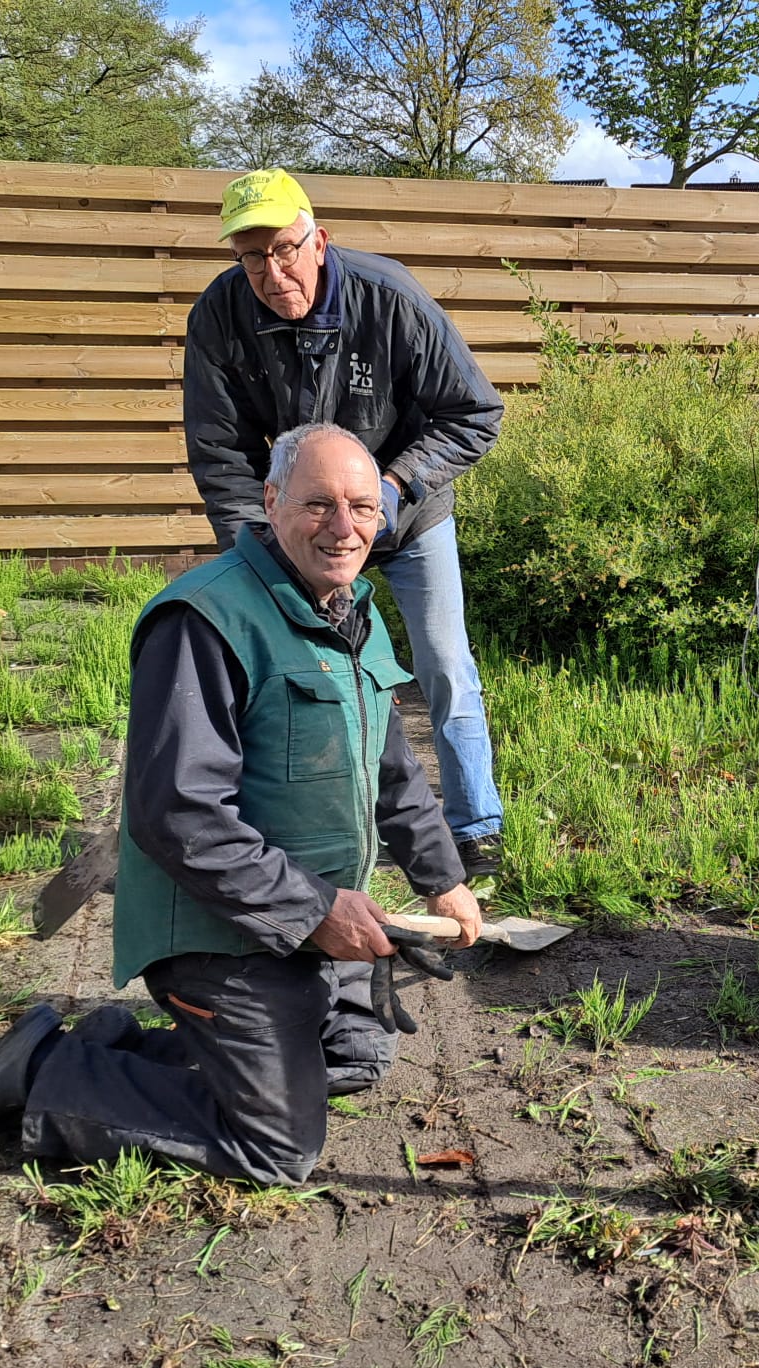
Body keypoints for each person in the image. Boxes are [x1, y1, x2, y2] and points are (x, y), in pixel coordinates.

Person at [0, 424, 483, 1184]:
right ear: (269, 501)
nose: (344, 526)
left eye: (363, 506)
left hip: (294, 924)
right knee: (280, 1148)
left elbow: (392, 765)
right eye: (318, 503)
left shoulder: (348, 605)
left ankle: (120, 1048)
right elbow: (179, 814)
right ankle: (50, 1074)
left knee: (357, 1053)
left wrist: (443, 877)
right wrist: (318, 910)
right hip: (218, 932)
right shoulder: (205, 620)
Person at [184, 167, 507, 880]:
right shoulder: (219, 316)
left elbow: (474, 413)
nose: (271, 272)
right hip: (300, 529)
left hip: (410, 513)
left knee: (444, 663)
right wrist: (260, 550)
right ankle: (309, 819)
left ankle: (475, 825)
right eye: (251, 256)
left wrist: (390, 490)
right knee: (301, 667)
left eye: (285, 250)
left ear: (318, 241)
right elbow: (219, 448)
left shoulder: (388, 299)